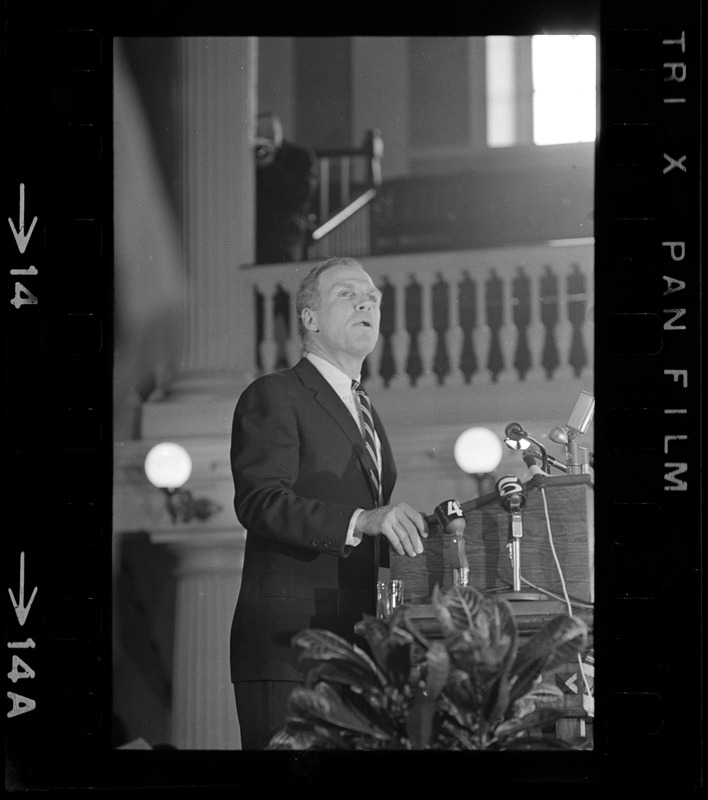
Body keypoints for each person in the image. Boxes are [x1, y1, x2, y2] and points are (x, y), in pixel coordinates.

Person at [230, 256, 429, 749]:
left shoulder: (368, 414)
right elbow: (260, 500)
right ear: (310, 319)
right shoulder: (275, 394)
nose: (367, 302)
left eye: (373, 298)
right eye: (347, 293)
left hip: (359, 650)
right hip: (292, 646)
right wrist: (362, 519)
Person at [254, 111, 317, 264]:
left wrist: (269, 166)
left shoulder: (298, 156)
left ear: (279, 131)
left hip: (287, 236)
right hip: (256, 235)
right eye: (261, 133)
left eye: (271, 133)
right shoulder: (248, 156)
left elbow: (298, 197)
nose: (267, 138)